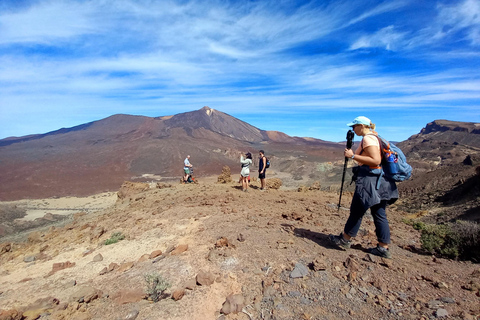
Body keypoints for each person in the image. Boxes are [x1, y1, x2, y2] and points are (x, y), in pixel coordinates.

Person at [329, 116, 398, 259]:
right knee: (379, 213)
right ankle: (383, 248)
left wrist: (353, 155)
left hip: (370, 181)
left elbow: (375, 160)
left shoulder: (368, 138)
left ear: (361, 125)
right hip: (381, 180)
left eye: (354, 127)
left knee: (357, 210)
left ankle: (345, 240)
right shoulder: (376, 137)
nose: (352, 129)